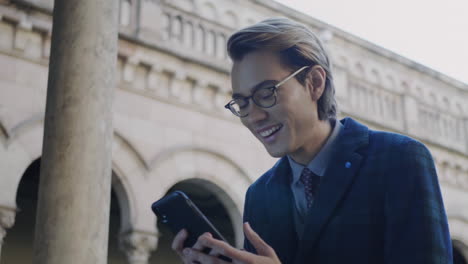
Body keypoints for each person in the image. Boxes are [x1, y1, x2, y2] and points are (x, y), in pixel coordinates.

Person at [171, 17, 453, 264]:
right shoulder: (259, 196)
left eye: (267, 92)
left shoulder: (399, 159)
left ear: (315, 83)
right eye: (241, 102)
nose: (253, 116)